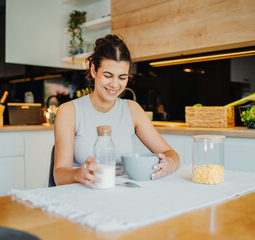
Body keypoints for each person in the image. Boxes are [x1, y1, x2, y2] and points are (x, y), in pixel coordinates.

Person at [53, 35, 180, 187]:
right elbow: (59, 176)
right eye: (108, 75)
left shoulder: (132, 109)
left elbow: (170, 154)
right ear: (94, 70)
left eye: (122, 77)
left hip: (121, 192)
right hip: (83, 191)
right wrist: (79, 174)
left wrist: (169, 165)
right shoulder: (69, 111)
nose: (114, 84)